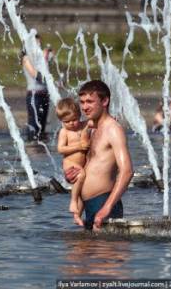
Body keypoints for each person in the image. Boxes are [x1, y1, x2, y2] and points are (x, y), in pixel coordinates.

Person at [65, 80, 133, 231]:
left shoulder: (113, 129)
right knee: (78, 252)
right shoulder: (92, 129)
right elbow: (91, 169)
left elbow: (127, 171)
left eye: (89, 101)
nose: (84, 107)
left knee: (104, 252)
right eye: (82, 102)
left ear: (105, 101)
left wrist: (107, 207)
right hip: (90, 205)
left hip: (104, 203)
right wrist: (73, 177)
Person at [56, 98, 91, 226]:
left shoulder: (84, 125)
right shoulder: (64, 132)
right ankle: (73, 201)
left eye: (74, 119)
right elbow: (60, 149)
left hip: (82, 164)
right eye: (67, 121)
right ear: (61, 121)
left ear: (79, 116)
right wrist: (78, 147)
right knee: (81, 175)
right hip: (70, 163)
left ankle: (77, 215)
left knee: (85, 190)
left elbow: (95, 121)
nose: (71, 123)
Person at [21, 34, 52, 141]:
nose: (38, 46)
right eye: (35, 44)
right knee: (34, 124)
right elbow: (38, 76)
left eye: (39, 44)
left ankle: (42, 151)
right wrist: (44, 58)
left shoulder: (41, 59)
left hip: (44, 94)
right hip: (34, 95)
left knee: (42, 125)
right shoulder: (26, 59)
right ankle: (32, 148)